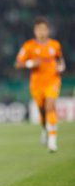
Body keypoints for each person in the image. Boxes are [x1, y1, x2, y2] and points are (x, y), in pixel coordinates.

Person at [15, 16, 65, 152]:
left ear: (48, 31)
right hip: (37, 84)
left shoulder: (55, 45)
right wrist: (30, 63)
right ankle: (44, 129)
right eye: (39, 29)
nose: (41, 32)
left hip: (53, 81)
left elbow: (60, 60)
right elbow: (17, 64)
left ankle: (53, 141)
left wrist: (61, 67)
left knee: (50, 106)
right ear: (35, 31)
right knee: (43, 112)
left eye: (44, 29)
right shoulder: (29, 46)